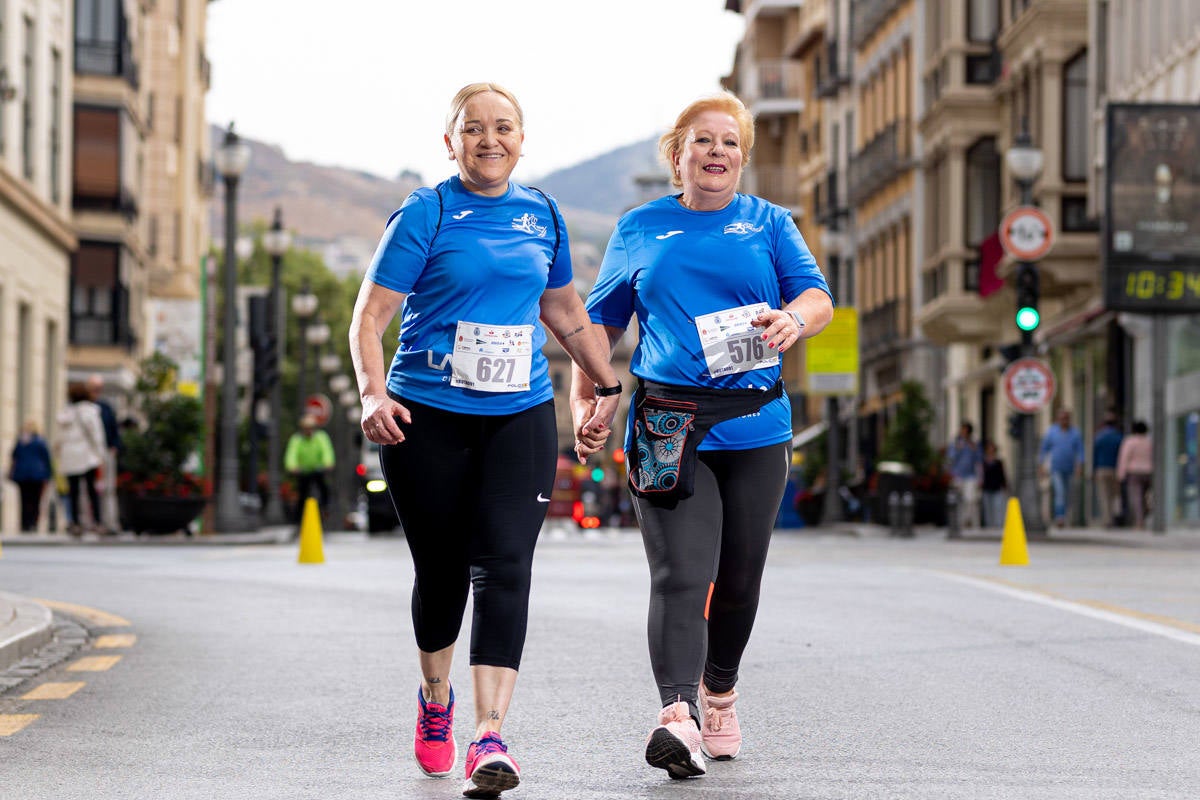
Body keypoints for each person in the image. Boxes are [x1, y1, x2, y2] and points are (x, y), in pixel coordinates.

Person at [348, 82, 622, 799]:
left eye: (504, 127)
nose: (489, 139)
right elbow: (369, 317)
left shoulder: (544, 215)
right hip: (426, 415)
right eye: (474, 129)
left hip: (518, 413)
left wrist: (605, 383)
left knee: (505, 565)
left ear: (522, 139)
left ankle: (490, 734)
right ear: (451, 142)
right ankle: (435, 699)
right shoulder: (425, 212)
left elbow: (564, 310)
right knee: (441, 574)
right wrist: (375, 394)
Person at [571, 91, 833, 780]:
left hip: (754, 421)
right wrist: (588, 400)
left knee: (739, 579)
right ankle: (677, 716)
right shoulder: (639, 228)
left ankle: (720, 693)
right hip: (665, 419)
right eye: (702, 141)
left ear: (742, 158)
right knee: (681, 574)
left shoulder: (769, 223)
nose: (717, 152)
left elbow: (817, 296)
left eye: (730, 143)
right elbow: (600, 327)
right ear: (677, 154)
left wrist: (794, 321)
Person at [55, 382, 108, 536]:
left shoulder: (66, 413)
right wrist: (101, 455)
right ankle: (97, 522)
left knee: (73, 492)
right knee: (92, 491)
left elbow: (60, 437)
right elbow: (96, 435)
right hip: (87, 455)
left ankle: (75, 523)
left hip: (69, 456)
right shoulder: (90, 411)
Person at [86, 373, 122, 533]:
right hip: (88, 454)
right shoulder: (82, 408)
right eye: (94, 388)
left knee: (108, 489)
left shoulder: (106, 407)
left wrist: (114, 447)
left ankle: (109, 522)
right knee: (87, 489)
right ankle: (89, 523)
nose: (96, 391)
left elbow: (114, 429)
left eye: (99, 388)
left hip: (106, 452)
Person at [1039, 408, 1084, 528]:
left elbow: (1080, 451)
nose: (1064, 421)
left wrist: (1079, 465)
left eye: (1066, 418)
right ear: (1058, 419)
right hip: (1056, 468)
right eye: (1061, 418)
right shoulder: (1052, 432)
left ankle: (1068, 516)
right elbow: (1044, 449)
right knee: (1060, 493)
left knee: (1069, 494)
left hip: (1070, 468)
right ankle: (1060, 517)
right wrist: (1041, 465)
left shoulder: (1075, 433)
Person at [283, 414, 335, 519]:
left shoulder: (321, 437)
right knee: (302, 492)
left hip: (318, 470)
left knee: (323, 488)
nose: (308, 431)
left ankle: (325, 508)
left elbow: (326, 451)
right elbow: (291, 454)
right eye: (306, 428)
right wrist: (292, 466)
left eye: (311, 428)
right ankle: (299, 516)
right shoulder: (297, 439)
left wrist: (327, 463)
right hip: (303, 471)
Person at [8, 420, 53, 532]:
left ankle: (24, 523)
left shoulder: (21, 441)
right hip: (37, 475)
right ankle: (33, 523)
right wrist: (49, 474)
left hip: (22, 475)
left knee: (24, 500)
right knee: (35, 500)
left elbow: (14, 456)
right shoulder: (41, 442)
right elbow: (47, 459)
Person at [1117, 419, 1153, 529]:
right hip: (1148, 472)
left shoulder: (1130, 441)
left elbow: (1124, 458)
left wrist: (1121, 474)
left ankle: (1139, 521)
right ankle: (1145, 513)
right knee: (1145, 497)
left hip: (1134, 472)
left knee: (1136, 497)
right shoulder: (1149, 442)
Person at [946, 422, 982, 528]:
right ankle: (957, 521)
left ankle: (967, 520)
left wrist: (974, 449)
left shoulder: (974, 443)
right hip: (957, 475)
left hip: (970, 475)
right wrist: (958, 448)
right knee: (957, 499)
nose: (963, 432)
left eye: (965, 430)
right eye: (962, 430)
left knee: (970, 499)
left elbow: (979, 460)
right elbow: (951, 458)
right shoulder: (955, 443)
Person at [1092, 413, 1124, 527]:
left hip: (1102, 469)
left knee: (1104, 496)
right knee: (1116, 495)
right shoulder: (1119, 437)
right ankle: (1117, 517)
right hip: (1116, 469)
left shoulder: (1099, 437)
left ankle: (1107, 520)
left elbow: (1094, 455)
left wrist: (1094, 469)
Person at [980, 440, 1008, 528]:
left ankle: (998, 525)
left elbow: (1002, 475)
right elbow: (981, 475)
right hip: (986, 488)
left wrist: (1005, 486)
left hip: (997, 488)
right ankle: (989, 525)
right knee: (988, 509)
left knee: (998, 507)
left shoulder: (999, 462)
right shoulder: (983, 463)